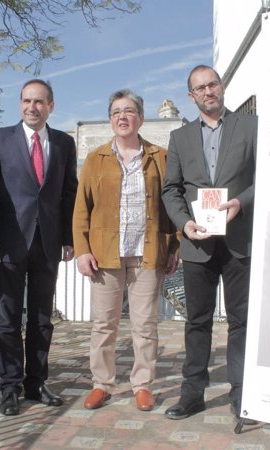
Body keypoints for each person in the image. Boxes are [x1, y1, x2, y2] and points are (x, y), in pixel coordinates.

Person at [0, 79, 78, 416]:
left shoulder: (64, 143)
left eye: (39, 102)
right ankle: (9, 386)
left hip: (48, 244)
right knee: (7, 319)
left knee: (41, 318)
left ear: (51, 105)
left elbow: (68, 195)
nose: (31, 107)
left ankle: (36, 382)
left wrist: (68, 238)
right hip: (7, 244)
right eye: (26, 101)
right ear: (19, 103)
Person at [72, 89, 179, 411]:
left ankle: (142, 384)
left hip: (148, 254)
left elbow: (173, 202)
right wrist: (82, 250)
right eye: (116, 111)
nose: (123, 116)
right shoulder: (96, 159)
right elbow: (81, 208)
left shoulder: (160, 156)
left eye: (129, 111)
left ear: (141, 118)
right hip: (105, 255)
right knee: (104, 324)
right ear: (110, 119)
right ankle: (102, 384)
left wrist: (174, 246)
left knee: (145, 324)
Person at [161, 65, 257, 422]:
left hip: (238, 239)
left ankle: (241, 394)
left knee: (240, 322)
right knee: (197, 321)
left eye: (212, 84)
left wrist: (241, 202)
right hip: (197, 244)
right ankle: (192, 394)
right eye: (200, 88)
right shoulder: (180, 137)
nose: (208, 91)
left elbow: (265, 175)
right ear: (191, 96)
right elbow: (171, 189)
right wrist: (185, 224)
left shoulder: (251, 126)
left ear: (222, 86)